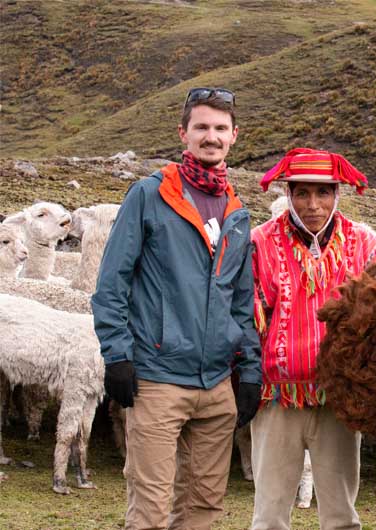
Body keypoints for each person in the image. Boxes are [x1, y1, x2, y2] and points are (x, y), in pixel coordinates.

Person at [92, 87, 263, 530]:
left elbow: (241, 302)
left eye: (220, 129)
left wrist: (249, 372)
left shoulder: (237, 212)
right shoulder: (150, 196)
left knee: (203, 506)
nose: (211, 137)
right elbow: (111, 283)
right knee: (149, 506)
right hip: (157, 378)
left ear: (234, 136)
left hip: (215, 384)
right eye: (202, 127)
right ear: (183, 133)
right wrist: (117, 356)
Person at [249, 148, 376, 530]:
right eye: (303, 193)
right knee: (269, 515)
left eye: (323, 193)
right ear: (289, 194)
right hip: (277, 397)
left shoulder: (362, 242)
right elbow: (246, 316)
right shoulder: (261, 241)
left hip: (339, 400)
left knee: (341, 515)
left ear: (336, 194)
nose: (313, 205)